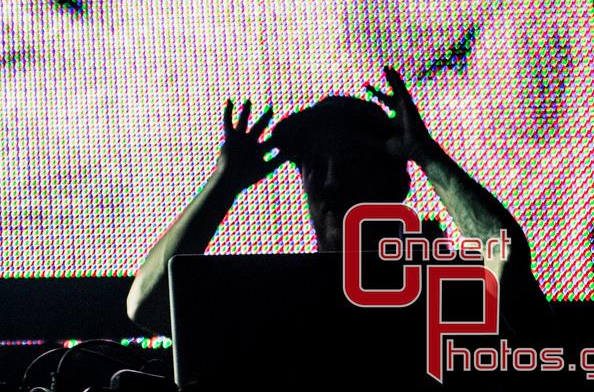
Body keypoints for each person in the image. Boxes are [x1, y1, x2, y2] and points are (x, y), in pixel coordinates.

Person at [125, 66, 546, 336]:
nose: (329, 183)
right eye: (314, 167)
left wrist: (426, 155)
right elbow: (148, 302)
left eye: (351, 165)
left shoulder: (442, 285)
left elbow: (504, 256)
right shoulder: (279, 296)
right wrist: (225, 182)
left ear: (396, 182)